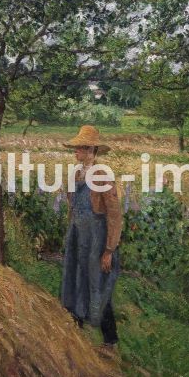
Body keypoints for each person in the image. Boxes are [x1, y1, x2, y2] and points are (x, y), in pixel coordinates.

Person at [61, 125, 123, 347]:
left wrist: (109, 250)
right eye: (76, 149)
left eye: (78, 149)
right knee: (75, 282)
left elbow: (114, 214)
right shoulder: (76, 173)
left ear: (89, 150)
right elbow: (72, 204)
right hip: (78, 237)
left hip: (97, 240)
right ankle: (76, 340)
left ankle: (110, 339)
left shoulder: (102, 175)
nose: (75, 153)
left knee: (97, 285)